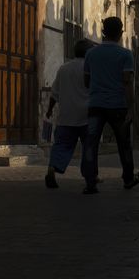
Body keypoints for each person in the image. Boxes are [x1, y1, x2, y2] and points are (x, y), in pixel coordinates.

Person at [81, 16, 139, 195]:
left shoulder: (91, 54)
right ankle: (128, 178)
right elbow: (127, 83)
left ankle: (90, 182)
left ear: (103, 32)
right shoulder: (125, 55)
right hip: (118, 106)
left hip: (96, 105)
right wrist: (131, 107)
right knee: (123, 144)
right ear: (121, 33)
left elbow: (86, 81)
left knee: (91, 144)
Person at [43, 39, 94, 189]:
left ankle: (52, 168)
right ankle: (90, 178)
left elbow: (54, 93)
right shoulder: (90, 68)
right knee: (89, 148)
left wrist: (49, 110)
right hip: (86, 117)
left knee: (61, 145)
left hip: (66, 116)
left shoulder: (63, 69)